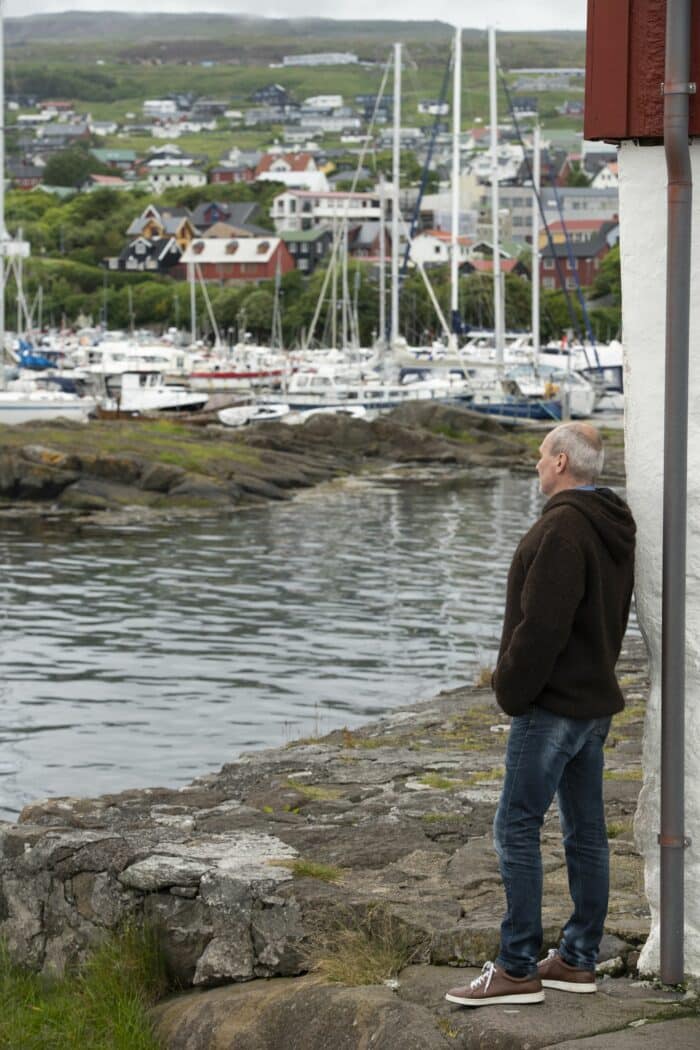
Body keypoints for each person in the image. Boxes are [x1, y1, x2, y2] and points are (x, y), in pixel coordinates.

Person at [446, 422, 636, 1008]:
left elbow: (544, 627)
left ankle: (517, 966)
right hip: (592, 703)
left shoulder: (561, 529)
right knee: (584, 834)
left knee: (516, 827)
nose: (534, 466)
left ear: (559, 462)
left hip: (552, 707)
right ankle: (578, 959)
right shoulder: (612, 524)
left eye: (538, 458)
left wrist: (510, 691)